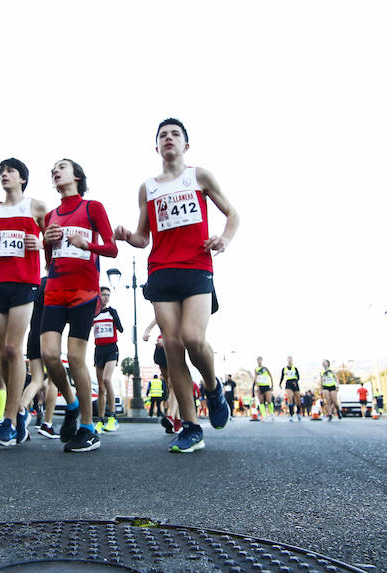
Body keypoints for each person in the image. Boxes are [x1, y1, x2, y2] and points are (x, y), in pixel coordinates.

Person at [115, 117, 239, 453]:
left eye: (175, 134)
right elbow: (143, 237)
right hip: (161, 269)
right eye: (162, 136)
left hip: (197, 265)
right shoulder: (148, 188)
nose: (168, 139)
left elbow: (233, 214)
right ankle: (191, 426)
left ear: (186, 145)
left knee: (193, 338)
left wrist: (224, 239)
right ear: (157, 147)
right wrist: (128, 237)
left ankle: (212, 389)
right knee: (172, 345)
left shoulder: (199, 176)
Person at [41, 158, 118, 452]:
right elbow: (50, 261)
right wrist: (47, 242)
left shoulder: (92, 208)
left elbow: (111, 248)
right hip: (55, 291)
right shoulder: (51, 215)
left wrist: (89, 245)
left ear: (77, 175)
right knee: (50, 355)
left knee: (75, 358)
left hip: (84, 293)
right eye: (53, 170)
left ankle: (88, 427)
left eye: (62, 167)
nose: (56, 172)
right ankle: (72, 404)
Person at [0, 158, 47, 447]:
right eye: (1, 172)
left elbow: (54, 239)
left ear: (22, 178)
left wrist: (41, 243)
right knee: (4, 355)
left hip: (24, 282)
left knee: (12, 349)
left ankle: (8, 421)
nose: (4, 175)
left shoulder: (36, 207)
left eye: (10, 171)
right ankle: (19, 415)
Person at [20, 276, 59, 438]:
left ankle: (20, 413)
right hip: (50, 335)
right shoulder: (57, 282)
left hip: (33, 335)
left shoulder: (35, 283)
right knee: (52, 381)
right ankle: (47, 424)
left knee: (36, 380)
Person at [92, 286, 124, 432]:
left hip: (111, 349)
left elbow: (121, 329)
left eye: (108, 295)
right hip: (99, 351)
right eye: (103, 295)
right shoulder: (94, 313)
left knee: (107, 379)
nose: (105, 297)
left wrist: (115, 316)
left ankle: (113, 417)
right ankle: (100, 420)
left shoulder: (112, 312)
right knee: (100, 388)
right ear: (98, 296)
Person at [280, 356, 302, 421]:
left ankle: (298, 413)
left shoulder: (295, 368)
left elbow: (298, 376)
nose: (289, 360)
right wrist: (280, 383)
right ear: (287, 360)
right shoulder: (284, 369)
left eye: (291, 359)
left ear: (292, 360)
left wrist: (295, 381)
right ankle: (291, 414)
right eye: (288, 359)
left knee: (298, 399)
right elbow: (282, 377)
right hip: (288, 383)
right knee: (289, 398)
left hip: (294, 382)